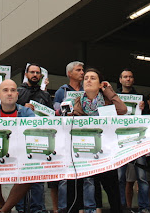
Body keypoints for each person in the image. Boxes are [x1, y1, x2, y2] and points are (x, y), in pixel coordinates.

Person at [73, 68, 127, 212]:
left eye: (93, 78)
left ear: (100, 84)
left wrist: (108, 90)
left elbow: (122, 110)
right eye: (86, 78)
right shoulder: (78, 102)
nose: (88, 80)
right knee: (81, 185)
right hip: (85, 150)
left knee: (111, 187)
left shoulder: (108, 100)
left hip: (105, 151)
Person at [0, 79, 35, 213]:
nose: (9, 94)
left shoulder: (27, 112)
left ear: (17, 94)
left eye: (12, 90)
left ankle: (4, 209)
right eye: (5, 90)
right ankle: (5, 207)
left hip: (20, 155)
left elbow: (34, 131)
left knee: (29, 173)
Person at [53, 61, 90, 213]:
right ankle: (63, 208)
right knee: (65, 174)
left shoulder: (87, 89)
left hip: (85, 135)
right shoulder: (62, 90)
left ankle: (84, 207)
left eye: (82, 70)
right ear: (70, 74)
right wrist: (63, 108)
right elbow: (55, 107)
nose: (82, 73)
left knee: (86, 173)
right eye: (78, 70)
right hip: (67, 135)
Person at [15, 63, 52, 213]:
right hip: (20, 141)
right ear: (26, 74)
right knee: (20, 178)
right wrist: (23, 108)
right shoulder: (17, 92)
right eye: (32, 72)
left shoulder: (45, 95)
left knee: (37, 180)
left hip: (40, 141)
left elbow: (51, 116)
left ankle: (37, 209)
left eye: (38, 73)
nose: (35, 75)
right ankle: (20, 208)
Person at [116, 69, 150, 213]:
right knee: (119, 177)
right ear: (120, 80)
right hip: (120, 141)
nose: (128, 79)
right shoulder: (114, 98)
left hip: (138, 140)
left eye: (130, 77)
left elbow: (148, 119)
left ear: (133, 80)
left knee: (142, 177)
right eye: (125, 77)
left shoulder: (140, 97)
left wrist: (144, 109)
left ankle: (144, 208)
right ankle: (122, 207)